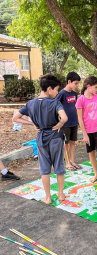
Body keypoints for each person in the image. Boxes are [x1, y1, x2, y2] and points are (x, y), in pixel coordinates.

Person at [12, 74, 68, 204]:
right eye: (56, 89)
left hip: (41, 138)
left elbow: (15, 118)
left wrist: (33, 124)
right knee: (59, 166)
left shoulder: (30, 103)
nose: (57, 92)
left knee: (44, 169)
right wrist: (59, 125)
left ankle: (47, 197)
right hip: (55, 137)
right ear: (49, 89)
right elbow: (64, 118)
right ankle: (60, 194)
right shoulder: (55, 102)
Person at [76, 76, 97, 183]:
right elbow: (80, 118)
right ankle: (96, 174)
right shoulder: (81, 100)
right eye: (96, 87)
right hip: (88, 131)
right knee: (91, 153)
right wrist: (84, 134)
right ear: (88, 86)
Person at [56, 72, 81, 171]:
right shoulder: (62, 93)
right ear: (69, 81)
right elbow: (56, 106)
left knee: (73, 142)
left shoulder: (74, 94)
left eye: (78, 83)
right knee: (66, 143)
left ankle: (72, 160)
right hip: (65, 124)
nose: (77, 85)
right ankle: (67, 163)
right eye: (75, 83)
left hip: (74, 122)